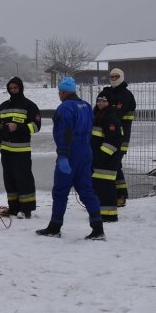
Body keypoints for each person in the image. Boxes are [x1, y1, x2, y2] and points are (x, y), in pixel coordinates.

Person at [36, 77, 105, 240]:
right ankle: (98, 228)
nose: (59, 94)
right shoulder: (87, 106)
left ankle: (54, 226)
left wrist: (63, 155)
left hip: (71, 151)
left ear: (63, 91)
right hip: (86, 151)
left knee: (60, 191)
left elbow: (64, 132)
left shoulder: (65, 108)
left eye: (59, 91)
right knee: (87, 191)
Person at [0, 77, 41, 218]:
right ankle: (13, 207)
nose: (13, 90)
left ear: (20, 88)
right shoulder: (3, 106)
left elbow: (36, 126)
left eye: (15, 88)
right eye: (11, 88)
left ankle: (26, 209)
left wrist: (18, 127)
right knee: (9, 179)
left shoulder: (29, 105)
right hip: (6, 150)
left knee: (23, 179)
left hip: (21, 150)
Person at [103, 68, 136, 207]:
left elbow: (116, 114)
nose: (114, 78)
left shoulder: (125, 95)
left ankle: (121, 196)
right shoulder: (109, 92)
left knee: (115, 165)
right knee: (114, 165)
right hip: (108, 136)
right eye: (111, 76)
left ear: (121, 77)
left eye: (116, 76)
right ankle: (115, 194)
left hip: (121, 137)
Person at [91, 88, 123, 222]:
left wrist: (100, 157)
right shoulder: (98, 116)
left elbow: (112, 142)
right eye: (98, 100)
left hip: (107, 160)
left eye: (103, 101)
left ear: (109, 103)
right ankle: (102, 213)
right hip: (99, 159)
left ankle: (110, 215)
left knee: (107, 187)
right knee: (99, 186)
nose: (100, 103)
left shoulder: (110, 118)